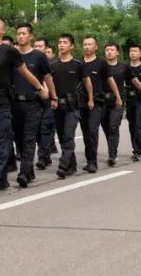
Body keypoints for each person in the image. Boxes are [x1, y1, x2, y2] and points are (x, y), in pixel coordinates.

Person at [0, 19, 48, 197]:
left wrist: (40, 88)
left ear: (3, 30)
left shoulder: (9, 51)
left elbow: (25, 73)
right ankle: (2, 177)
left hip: (2, 102)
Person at [12, 23, 56, 187]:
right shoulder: (13, 55)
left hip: (33, 102)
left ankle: (23, 173)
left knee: (29, 137)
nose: (21, 36)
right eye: (18, 33)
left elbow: (48, 77)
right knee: (18, 138)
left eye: (24, 33)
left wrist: (53, 97)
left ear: (31, 36)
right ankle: (29, 170)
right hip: (15, 103)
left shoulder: (39, 56)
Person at [48, 34, 90, 179]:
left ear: (71, 46)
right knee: (61, 136)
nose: (61, 45)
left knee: (68, 135)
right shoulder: (53, 65)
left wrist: (90, 99)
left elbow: (86, 82)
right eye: (59, 42)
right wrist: (52, 98)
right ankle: (71, 165)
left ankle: (63, 165)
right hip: (58, 105)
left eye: (65, 42)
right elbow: (49, 83)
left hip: (74, 106)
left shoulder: (78, 64)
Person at [79, 36, 118, 173]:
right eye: (85, 44)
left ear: (96, 47)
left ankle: (92, 163)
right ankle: (89, 158)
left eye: (90, 44)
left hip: (97, 102)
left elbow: (110, 80)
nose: (87, 47)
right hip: (80, 102)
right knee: (85, 132)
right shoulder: (78, 62)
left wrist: (118, 97)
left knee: (92, 130)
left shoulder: (101, 63)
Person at [33, 38, 59, 169]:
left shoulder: (52, 64)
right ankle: (46, 155)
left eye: (40, 46)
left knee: (45, 128)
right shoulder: (30, 63)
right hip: (35, 100)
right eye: (35, 46)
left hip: (49, 99)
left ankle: (42, 157)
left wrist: (54, 97)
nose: (37, 48)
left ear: (46, 48)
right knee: (37, 130)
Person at [101, 42, 127, 167]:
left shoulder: (123, 67)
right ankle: (112, 148)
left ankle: (112, 155)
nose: (109, 52)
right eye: (107, 50)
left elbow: (133, 80)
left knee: (113, 126)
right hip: (102, 101)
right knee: (106, 128)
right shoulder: (100, 66)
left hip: (117, 101)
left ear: (117, 52)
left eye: (112, 50)